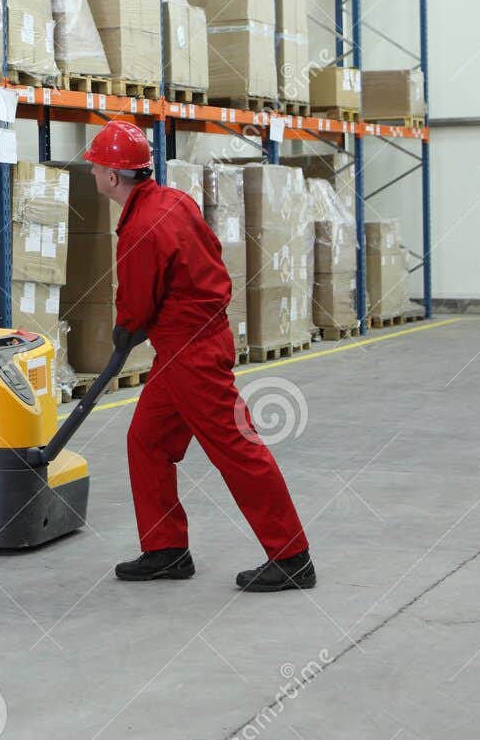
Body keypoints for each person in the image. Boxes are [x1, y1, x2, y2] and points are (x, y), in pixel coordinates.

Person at [83, 120, 315, 592]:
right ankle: (166, 549)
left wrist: (125, 330)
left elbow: (138, 302)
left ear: (111, 175)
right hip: (185, 347)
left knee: (237, 446)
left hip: (192, 354)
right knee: (146, 440)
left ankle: (292, 556)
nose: (93, 174)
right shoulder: (173, 201)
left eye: (95, 167)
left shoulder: (140, 228)